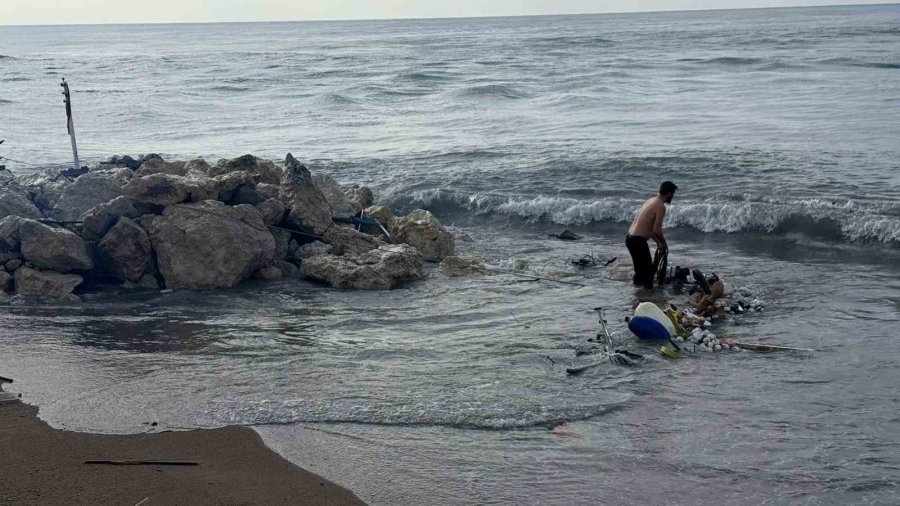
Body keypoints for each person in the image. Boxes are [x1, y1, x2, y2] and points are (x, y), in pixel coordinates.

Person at [626, 181, 677, 289]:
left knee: (640, 270)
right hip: (638, 241)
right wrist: (664, 244)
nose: (672, 196)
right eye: (672, 193)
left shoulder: (651, 200)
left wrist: (658, 243)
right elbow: (656, 230)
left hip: (630, 239)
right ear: (668, 193)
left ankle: (637, 293)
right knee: (648, 273)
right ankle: (648, 296)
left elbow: (650, 229)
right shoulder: (660, 207)